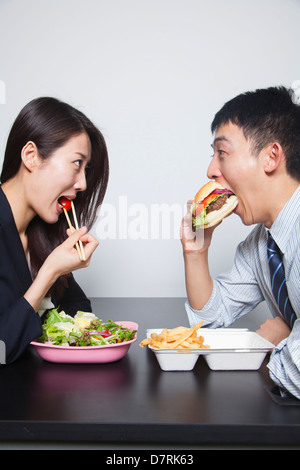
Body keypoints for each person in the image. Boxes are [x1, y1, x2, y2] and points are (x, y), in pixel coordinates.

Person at [181, 86, 300, 399]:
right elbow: (210, 325)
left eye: (222, 153)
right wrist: (196, 252)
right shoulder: (261, 244)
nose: (210, 170)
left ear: (271, 157)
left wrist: (278, 343)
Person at [0, 97, 109, 364]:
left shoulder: (41, 232)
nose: (82, 183)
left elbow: (77, 310)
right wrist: (49, 272)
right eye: (76, 163)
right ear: (31, 156)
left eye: (87, 169)